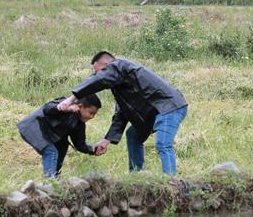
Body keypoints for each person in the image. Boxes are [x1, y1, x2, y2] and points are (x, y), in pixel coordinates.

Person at [58, 51, 187, 175]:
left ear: (108, 66)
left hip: (169, 107)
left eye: (99, 72)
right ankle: (136, 176)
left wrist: (71, 98)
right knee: (133, 135)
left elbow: (100, 79)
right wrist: (106, 141)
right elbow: (121, 115)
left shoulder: (120, 66)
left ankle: (171, 182)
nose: (98, 75)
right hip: (153, 113)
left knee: (163, 143)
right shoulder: (120, 85)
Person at [17, 94, 101, 177]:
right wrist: (64, 109)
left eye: (94, 114)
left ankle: (55, 178)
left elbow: (79, 145)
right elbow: (47, 108)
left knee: (61, 147)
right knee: (51, 152)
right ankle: (50, 182)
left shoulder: (80, 124)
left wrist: (93, 149)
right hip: (33, 127)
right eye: (91, 113)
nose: (92, 116)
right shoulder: (65, 104)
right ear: (80, 106)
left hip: (49, 135)